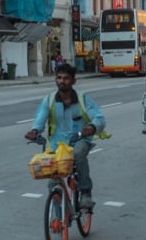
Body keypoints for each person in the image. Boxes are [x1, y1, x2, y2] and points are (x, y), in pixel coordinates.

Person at [25, 62, 106, 209]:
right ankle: (59, 217)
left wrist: (91, 127)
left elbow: (99, 118)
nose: (62, 81)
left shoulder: (83, 99)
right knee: (52, 181)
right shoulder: (49, 100)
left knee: (79, 154)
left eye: (66, 78)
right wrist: (35, 131)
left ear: (73, 81)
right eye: (59, 78)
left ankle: (86, 193)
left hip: (79, 140)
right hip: (56, 144)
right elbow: (40, 119)